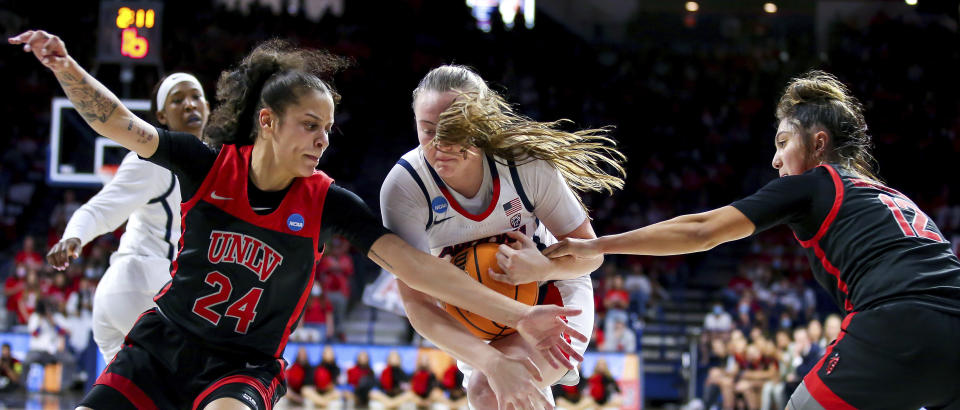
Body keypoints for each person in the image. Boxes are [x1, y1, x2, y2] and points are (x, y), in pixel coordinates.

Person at [12, 30, 581, 410]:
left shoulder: (330, 201)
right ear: (267, 121)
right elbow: (118, 124)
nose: (323, 138)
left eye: (328, 128)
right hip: (162, 341)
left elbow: (417, 271)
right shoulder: (204, 166)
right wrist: (65, 66)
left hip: (242, 365)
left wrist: (521, 315)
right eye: (310, 124)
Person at [546, 70, 960, 409]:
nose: (775, 158)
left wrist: (596, 245)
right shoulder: (894, 196)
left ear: (819, 143)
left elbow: (701, 230)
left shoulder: (817, 182)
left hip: (897, 322)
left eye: (783, 142)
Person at [381, 65, 626, 409]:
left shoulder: (525, 164)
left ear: (482, 123)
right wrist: (490, 359)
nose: (440, 145)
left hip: (549, 295)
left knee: (495, 393)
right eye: (428, 130)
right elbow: (417, 305)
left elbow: (592, 255)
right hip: (473, 311)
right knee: (489, 390)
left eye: (454, 129)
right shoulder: (405, 187)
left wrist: (541, 268)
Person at [45, 71, 209, 362]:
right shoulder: (151, 160)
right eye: (178, 100)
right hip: (146, 285)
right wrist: (74, 235)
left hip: (122, 295)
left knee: (123, 397)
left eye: (196, 97)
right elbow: (101, 207)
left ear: (208, 107)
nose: (190, 105)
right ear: (161, 115)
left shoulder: (210, 160)